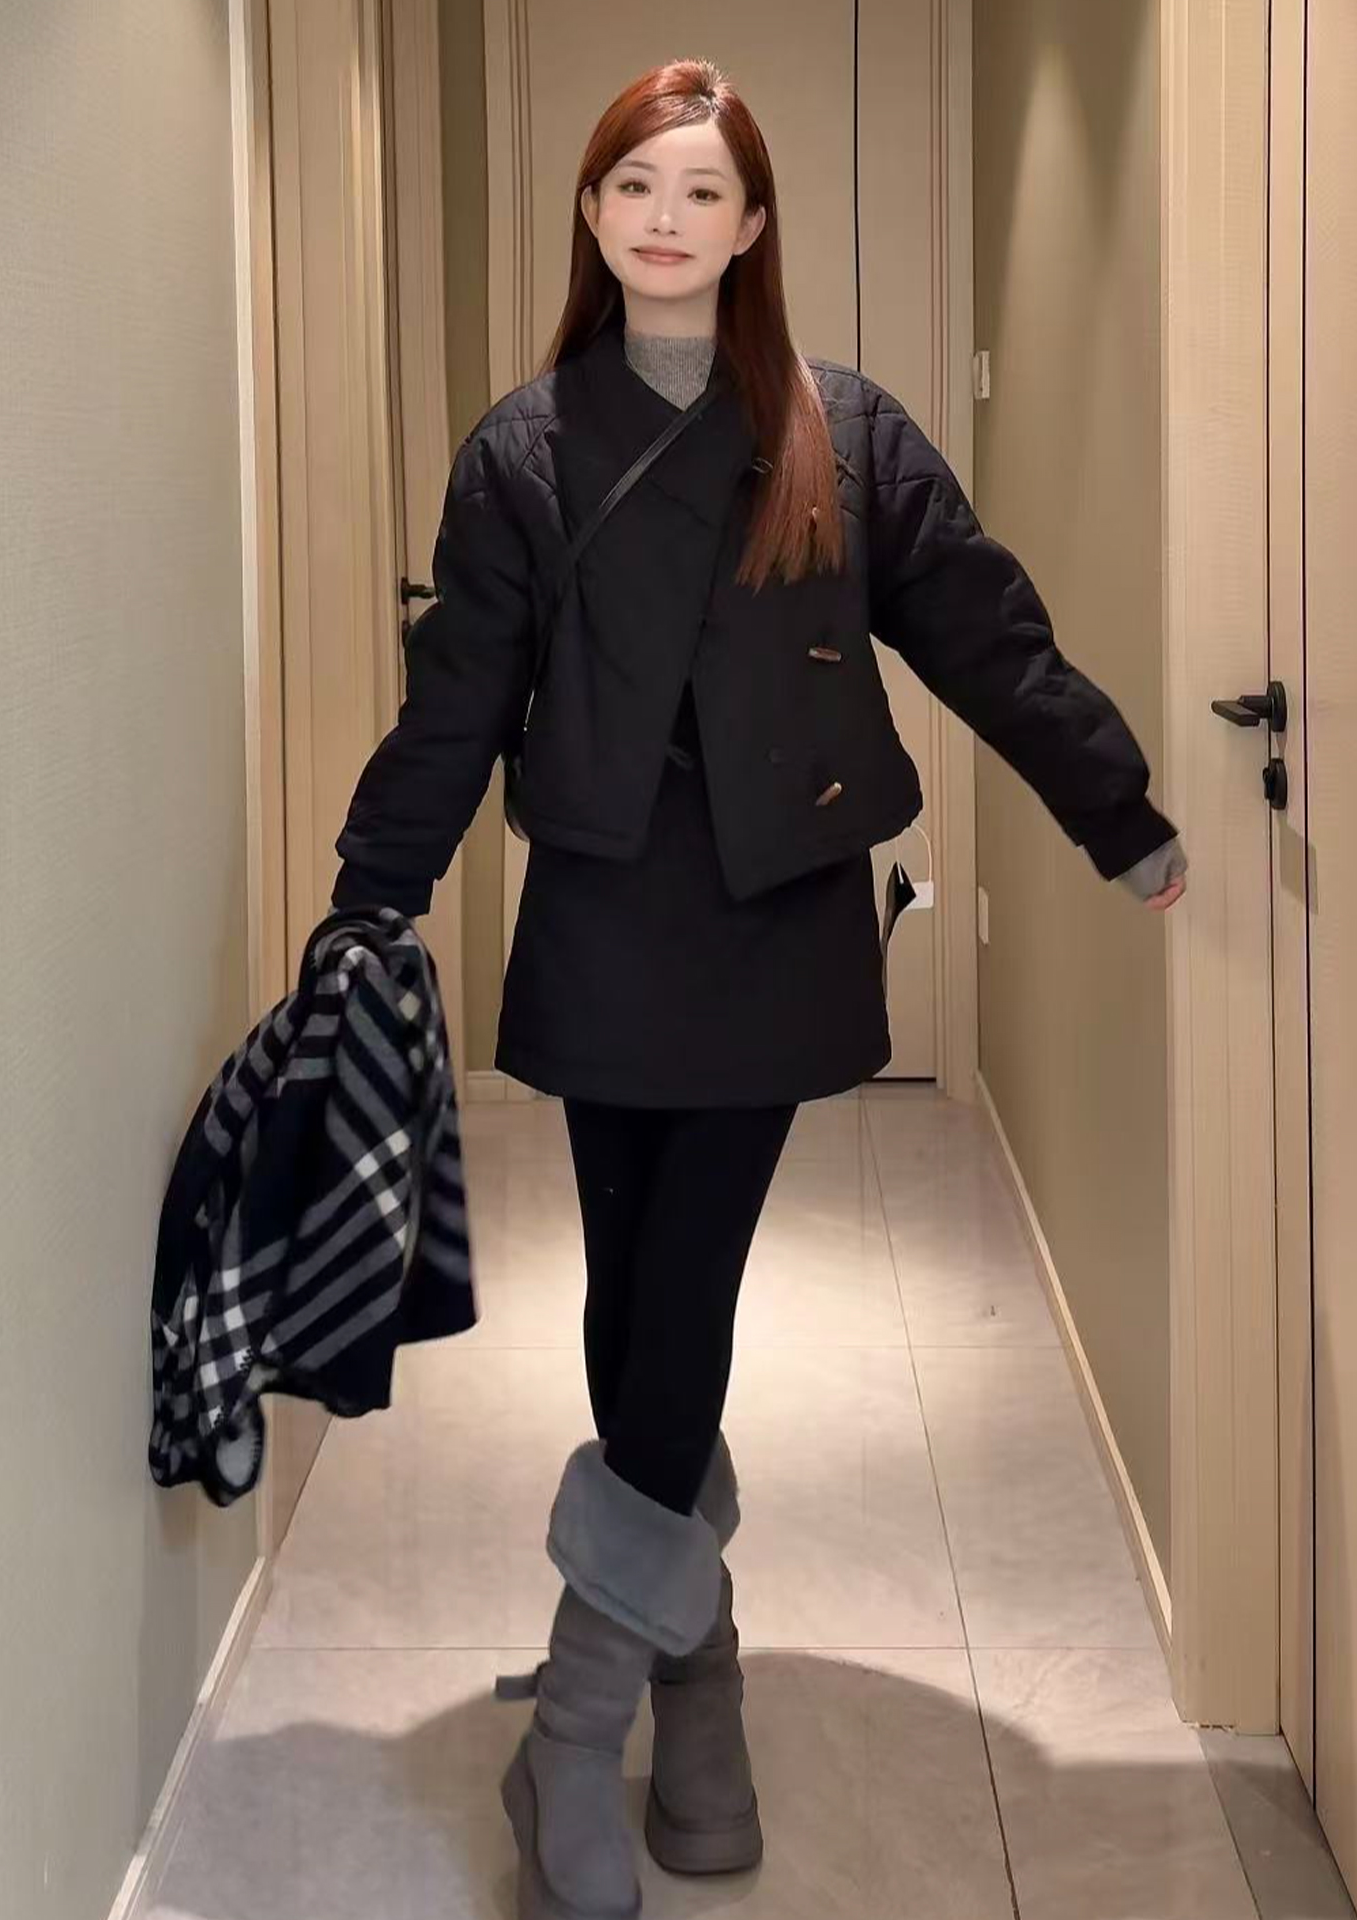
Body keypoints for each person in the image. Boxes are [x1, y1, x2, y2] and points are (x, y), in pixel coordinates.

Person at [330, 57, 1187, 1920]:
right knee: (632, 1283)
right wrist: (370, 895)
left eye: (702, 191)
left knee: (689, 1281)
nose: (666, 218)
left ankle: (577, 1724)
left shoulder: (842, 431)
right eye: (636, 184)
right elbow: (458, 699)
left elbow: (986, 632)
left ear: (752, 226)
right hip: (599, 912)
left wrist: (1115, 810)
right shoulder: (522, 448)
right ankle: (695, 1657)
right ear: (591, 211)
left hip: (775, 919)